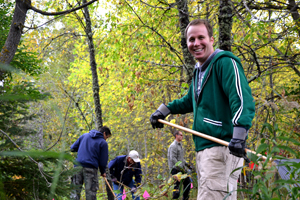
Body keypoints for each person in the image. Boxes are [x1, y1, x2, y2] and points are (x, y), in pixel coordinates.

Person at [150, 19, 255, 200]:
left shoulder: (225, 63)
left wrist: (239, 135)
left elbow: (242, 100)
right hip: (205, 151)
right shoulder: (200, 70)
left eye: (201, 37)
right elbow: (190, 100)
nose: (196, 43)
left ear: (212, 39)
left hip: (221, 148)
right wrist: (164, 110)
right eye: (191, 39)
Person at [70, 126, 111, 200]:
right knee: (90, 194)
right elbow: (103, 161)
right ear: (104, 133)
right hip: (90, 169)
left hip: (77, 167)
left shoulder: (84, 136)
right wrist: (103, 171)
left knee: (75, 192)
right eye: (107, 137)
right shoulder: (103, 142)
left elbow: (72, 148)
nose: (106, 139)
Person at [168, 130, 192, 200]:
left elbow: (181, 159)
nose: (182, 136)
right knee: (176, 187)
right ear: (176, 135)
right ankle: (175, 199)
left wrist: (187, 165)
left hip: (181, 169)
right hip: (175, 169)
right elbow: (173, 158)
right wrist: (180, 166)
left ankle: (185, 198)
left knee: (188, 183)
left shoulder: (180, 145)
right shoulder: (173, 146)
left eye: (182, 135)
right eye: (181, 135)